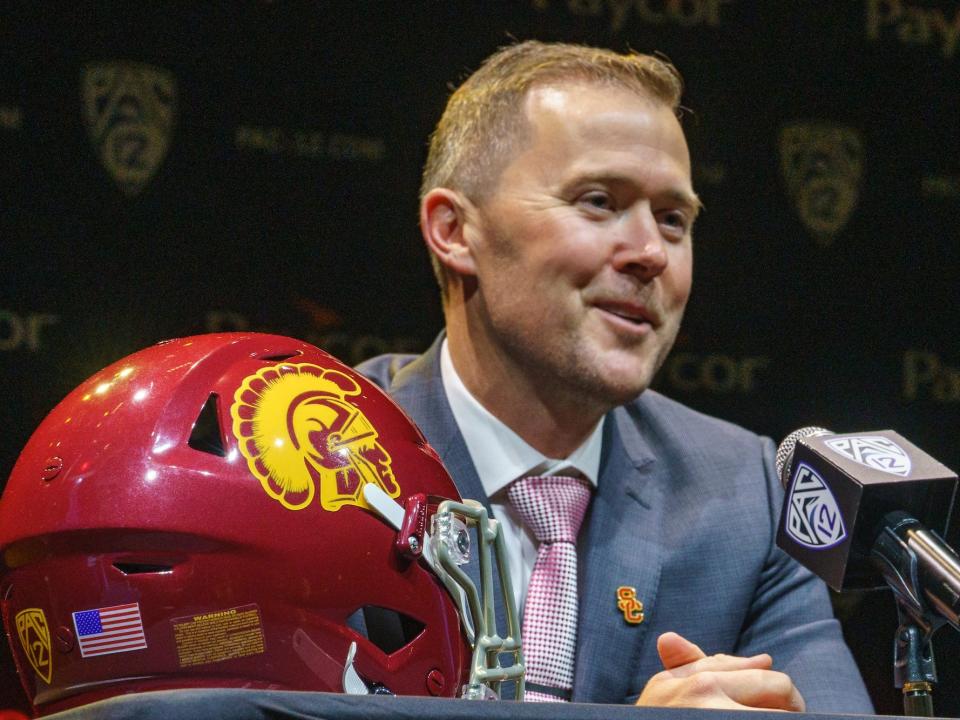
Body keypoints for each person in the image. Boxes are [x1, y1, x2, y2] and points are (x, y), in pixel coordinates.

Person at [358, 40, 873, 713]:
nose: (652, 254)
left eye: (673, 219)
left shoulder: (744, 496)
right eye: (599, 201)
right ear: (456, 231)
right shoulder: (314, 464)